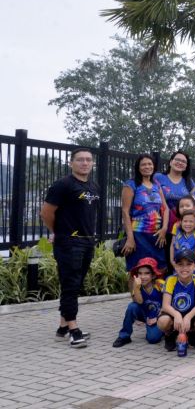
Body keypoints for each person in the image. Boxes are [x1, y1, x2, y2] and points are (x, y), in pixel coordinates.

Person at [41, 147, 100, 348]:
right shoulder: (63, 185)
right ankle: (74, 330)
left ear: (92, 163)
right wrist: (57, 231)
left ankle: (62, 328)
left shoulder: (94, 186)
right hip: (68, 243)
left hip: (87, 241)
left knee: (75, 284)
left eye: (88, 160)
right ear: (71, 163)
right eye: (80, 160)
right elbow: (46, 212)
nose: (85, 163)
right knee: (71, 284)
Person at [121, 154, 169, 271]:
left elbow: (165, 208)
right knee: (136, 270)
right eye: (143, 164)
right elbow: (125, 211)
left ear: (154, 166)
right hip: (138, 234)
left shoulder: (156, 185)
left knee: (159, 269)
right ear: (138, 167)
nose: (147, 167)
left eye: (150, 164)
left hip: (157, 235)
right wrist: (130, 238)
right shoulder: (131, 184)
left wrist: (164, 229)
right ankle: (135, 290)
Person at [157, 249, 195, 351]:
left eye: (188, 264)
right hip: (174, 313)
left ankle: (192, 332)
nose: (184, 268)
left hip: (191, 313)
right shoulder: (170, 280)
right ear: (175, 266)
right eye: (180, 264)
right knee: (163, 321)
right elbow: (165, 305)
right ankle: (169, 334)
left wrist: (188, 317)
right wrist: (177, 315)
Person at [112, 257, 164, 347]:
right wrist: (136, 288)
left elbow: (169, 303)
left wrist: (158, 318)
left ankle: (164, 329)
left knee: (153, 339)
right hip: (145, 314)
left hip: (160, 314)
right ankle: (124, 336)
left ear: (154, 275)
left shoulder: (160, 284)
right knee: (132, 307)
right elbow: (139, 302)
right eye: (140, 273)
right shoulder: (137, 285)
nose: (143, 277)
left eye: (147, 273)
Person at [154, 150, 195, 255]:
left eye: (183, 161)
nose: (180, 162)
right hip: (160, 224)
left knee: (178, 255)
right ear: (171, 162)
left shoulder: (189, 182)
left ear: (186, 166)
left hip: (181, 226)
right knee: (161, 256)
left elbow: (194, 204)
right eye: (177, 159)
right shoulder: (158, 178)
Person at [170, 210, 195, 275]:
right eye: (185, 221)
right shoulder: (178, 233)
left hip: (192, 268)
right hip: (178, 266)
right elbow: (172, 245)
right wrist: (172, 260)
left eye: (191, 221)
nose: (188, 224)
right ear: (181, 222)